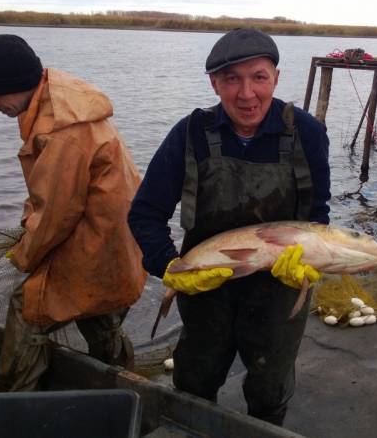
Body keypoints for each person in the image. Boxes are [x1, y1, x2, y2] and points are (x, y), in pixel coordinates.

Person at [127, 28, 331, 426]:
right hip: (207, 288)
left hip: (278, 289)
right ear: (214, 83)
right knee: (194, 381)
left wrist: (309, 260)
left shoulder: (306, 133)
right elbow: (145, 213)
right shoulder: (190, 134)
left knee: (269, 388)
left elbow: (317, 216)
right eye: (231, 79)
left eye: (258, 77)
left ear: (276, 77)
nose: (246, 93)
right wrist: (168, 266)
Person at [0, 34, 146, 391]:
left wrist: (23, 254)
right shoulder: (57, 95)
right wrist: (28, 223)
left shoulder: (61, 129)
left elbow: (55, 216)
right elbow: (48, 193)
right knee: (100, 315)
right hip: (115, 237)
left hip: (99, 240)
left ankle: (12, 400)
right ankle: (124, 388)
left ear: (21, 84)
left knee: (28, 310)